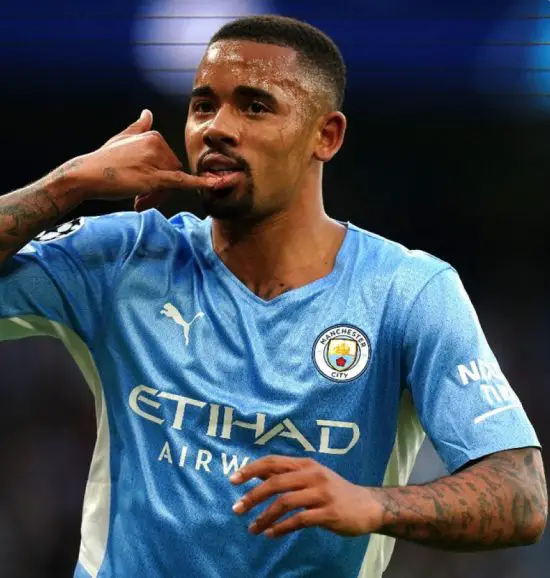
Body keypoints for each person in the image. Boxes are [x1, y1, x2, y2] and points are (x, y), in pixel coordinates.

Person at [0, 14, 546, 578]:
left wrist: (373, 505)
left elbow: (522, 495)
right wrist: (69, 183)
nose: (216, 127)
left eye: (255, 107)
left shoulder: (406, 293)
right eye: (203, 105)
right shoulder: (124, 259)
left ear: (326, 136)